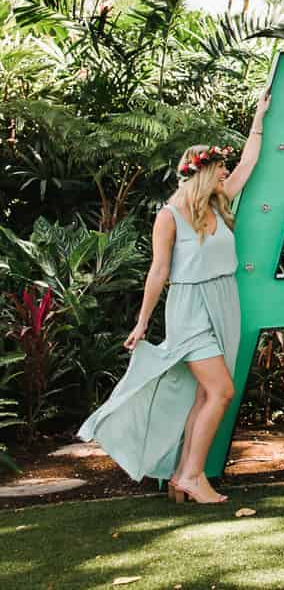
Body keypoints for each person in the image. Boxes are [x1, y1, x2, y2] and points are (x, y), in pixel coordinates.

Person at [78, 92, 271, 504]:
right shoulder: (168, 217)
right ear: (204, 172)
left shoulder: (219, 202)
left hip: (225, 301)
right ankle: (192, 476)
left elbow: (249, 162)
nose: (226, 174)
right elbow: (159, 271)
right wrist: (142, 322)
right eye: (220, 169)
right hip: (190, 308)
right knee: (221, 392)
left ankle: (180, 476)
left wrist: (258, 116)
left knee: (204, 394)